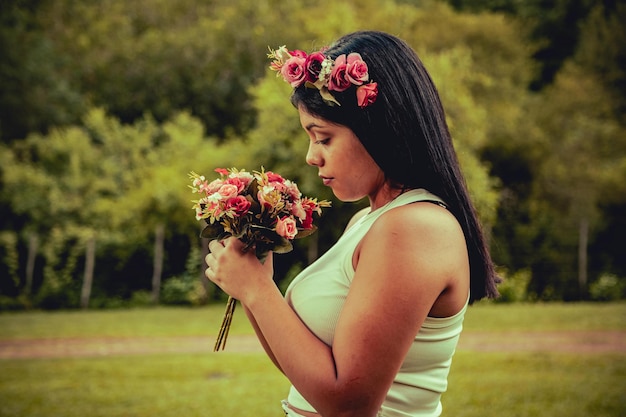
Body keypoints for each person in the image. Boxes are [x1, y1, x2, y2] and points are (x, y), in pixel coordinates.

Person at [205, 30, 500, 417]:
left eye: (324, 138)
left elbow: (350, 406)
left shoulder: (414, 228)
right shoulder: (369, 221)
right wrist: (254, 283)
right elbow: (306, 375)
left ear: (379, 129)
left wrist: (258, 290)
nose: (312, 157)